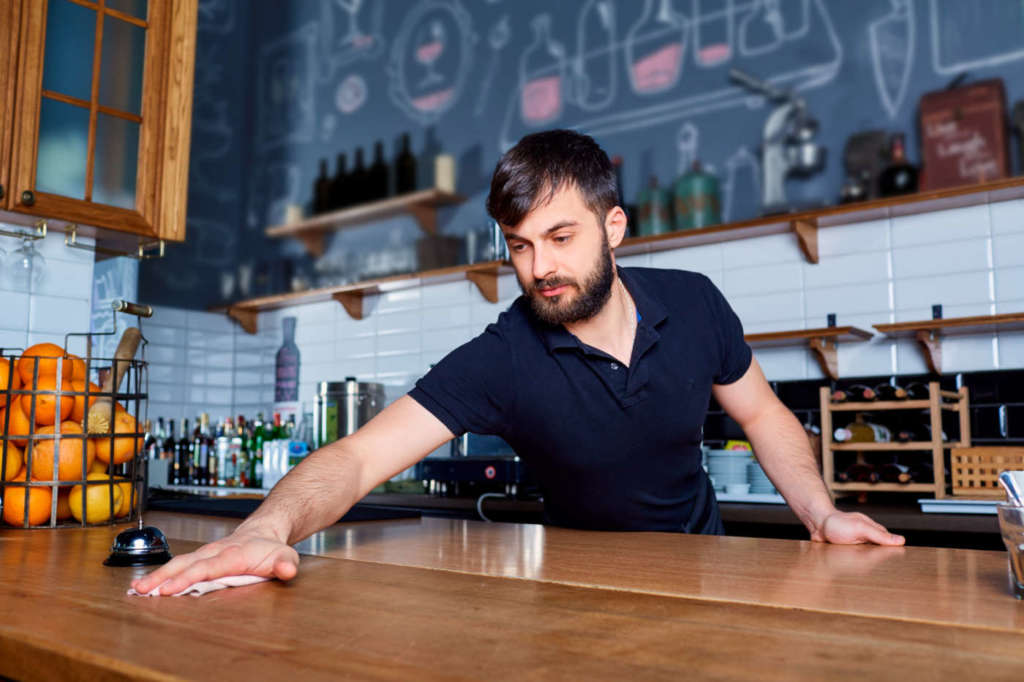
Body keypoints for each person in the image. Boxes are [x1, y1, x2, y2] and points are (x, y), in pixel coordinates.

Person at [132, 130, 903, 596]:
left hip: (706, 570)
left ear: (615, 227)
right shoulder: (503, 356)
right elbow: (361, 455)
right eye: (520, 245)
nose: (539, 267)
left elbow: (763, 413)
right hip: (573, 592)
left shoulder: (696, 303)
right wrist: (267, 528)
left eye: (560, 238)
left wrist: (821, 513)